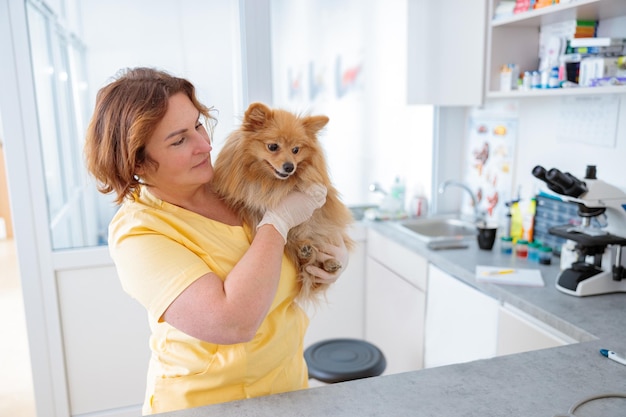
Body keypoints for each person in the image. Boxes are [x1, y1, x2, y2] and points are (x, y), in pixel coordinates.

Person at [84, 67, 348, 415]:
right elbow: (233, 321)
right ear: (138, 161)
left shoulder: (241, 187)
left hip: (287, 391)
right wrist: (279, 222)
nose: (205, 145)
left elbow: (293, 259)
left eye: (198, 125)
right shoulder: (139, 234)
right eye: (179, 140)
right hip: (204, 405)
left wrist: (331, 255)